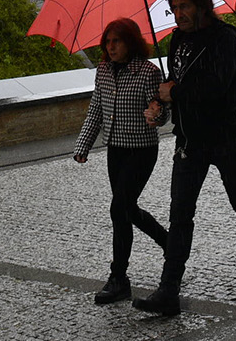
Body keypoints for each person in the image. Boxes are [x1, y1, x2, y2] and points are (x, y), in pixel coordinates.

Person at [133, 0, 236, 316]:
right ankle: (169, 291)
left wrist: (175, 93)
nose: (178, 14)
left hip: (224, 138)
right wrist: (160, 103)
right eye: (174, 8)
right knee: (180, 214)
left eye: (184, 7)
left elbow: (215, 87)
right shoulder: (178, 39)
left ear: (202, 6)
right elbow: (176, 84)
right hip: (189, 141)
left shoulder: (225, 38)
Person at [73, 17, 169, 305]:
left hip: (141, 150)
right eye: (108, 42)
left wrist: (156, 115)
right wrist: (83, 145)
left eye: (117, 41)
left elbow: (161, 111)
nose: (111, 47)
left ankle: (118, 277)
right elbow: (96, 110)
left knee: (119, 209)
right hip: (115, 150)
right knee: (126, 209)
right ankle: (168, 242)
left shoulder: (148, 72)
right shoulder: (103, 71)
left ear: (131, 42)